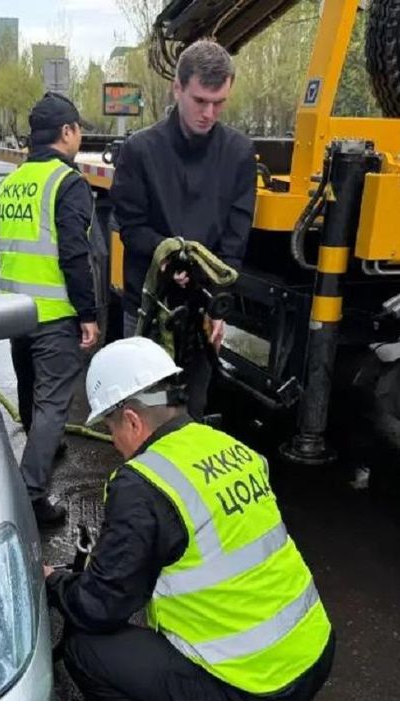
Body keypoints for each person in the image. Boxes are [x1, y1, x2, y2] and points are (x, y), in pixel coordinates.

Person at [46, 337, 334, 701]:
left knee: (86, 650)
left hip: (253, 691)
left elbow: (100, 607)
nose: (115, 445)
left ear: (133, 421)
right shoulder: (229, 447)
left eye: (112, 430)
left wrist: (55, 583)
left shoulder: (144, 483)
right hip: (308, 662)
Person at [111, 39, 257, 420]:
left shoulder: (239, 153)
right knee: (145, 411)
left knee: (191, 409)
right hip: (147, 307)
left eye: (219, 102)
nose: (209, 113)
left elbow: (235, 238)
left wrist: (218, 303)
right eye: (200, 101)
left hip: (202, 309)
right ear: (177, 88)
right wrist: (169, 255)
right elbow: (131, 227)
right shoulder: (140, 150)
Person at [0, 92, 99, 527]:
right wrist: (88, 314)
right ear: (68, 132)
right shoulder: (67, 183)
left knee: (29, 390)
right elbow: (75, 254)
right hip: (54, 314)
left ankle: (45, 446)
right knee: (54, 403)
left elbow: (1, 249)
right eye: (78, 131)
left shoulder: (10, 182)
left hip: (15, 310)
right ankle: (30, 497)